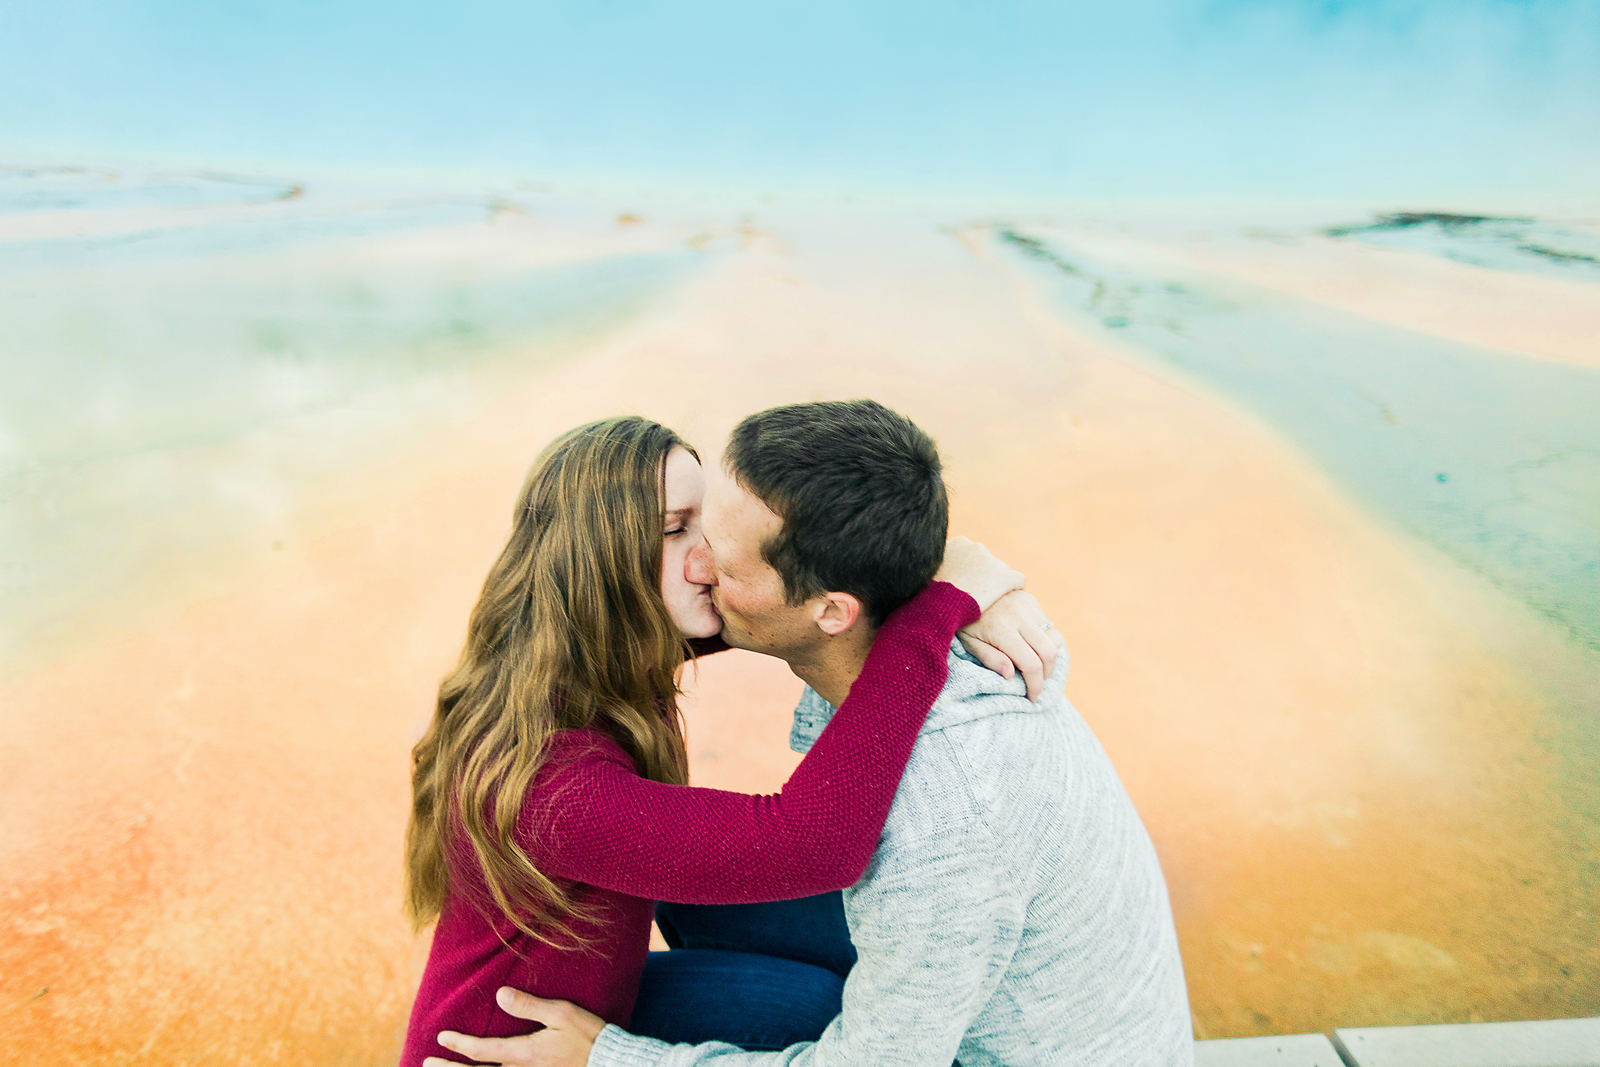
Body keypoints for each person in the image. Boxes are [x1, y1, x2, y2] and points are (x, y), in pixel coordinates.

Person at [427, 400, 1194, 1067]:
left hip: (603, 981)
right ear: (595, 560)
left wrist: (956, 570)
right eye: (676, 529)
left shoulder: (592, 648)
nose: (707, 557)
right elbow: (807, 834)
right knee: (798, 1004)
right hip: (514, 1044)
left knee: (793, 980)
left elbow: (834, 573)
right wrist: (948, 591)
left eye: (710, 521)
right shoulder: (548, 779)